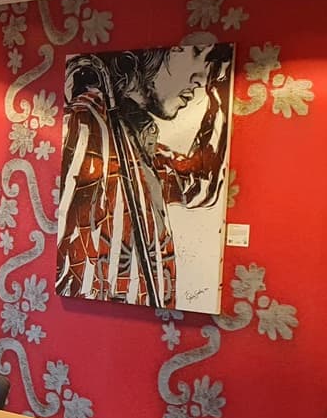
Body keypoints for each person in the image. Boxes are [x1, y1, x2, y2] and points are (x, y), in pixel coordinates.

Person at [54, 43, 232, 309]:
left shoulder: (134, 137)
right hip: (108, 309)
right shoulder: (88, 122)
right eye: (196, 54)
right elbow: (68, 238)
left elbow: (200, 186)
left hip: (128, 308)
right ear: (150, 59)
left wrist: (220, 88)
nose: (200, 78)